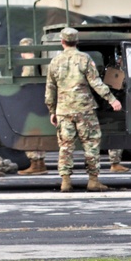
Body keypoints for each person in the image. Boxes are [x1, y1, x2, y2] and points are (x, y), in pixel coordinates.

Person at [44, 27, 123, 192]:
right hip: (84, 110)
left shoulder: (55, 62)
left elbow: (50, 89)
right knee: (91, 144)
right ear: (77, 41)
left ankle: (65, 181)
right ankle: (93, 181)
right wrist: (112, 99)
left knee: (66, 146)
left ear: (62, 42)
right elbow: (96, 83)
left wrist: (52, 111)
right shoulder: (84, 59)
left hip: (63, 110)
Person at [17, 37, 47, 175]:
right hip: (39, 102)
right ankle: (40, 163)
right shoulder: (39, 60)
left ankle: (35, 164)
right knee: (38, 133)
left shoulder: (29, 63)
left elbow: (26, 83)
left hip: (30, 103)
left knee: (30, 134)